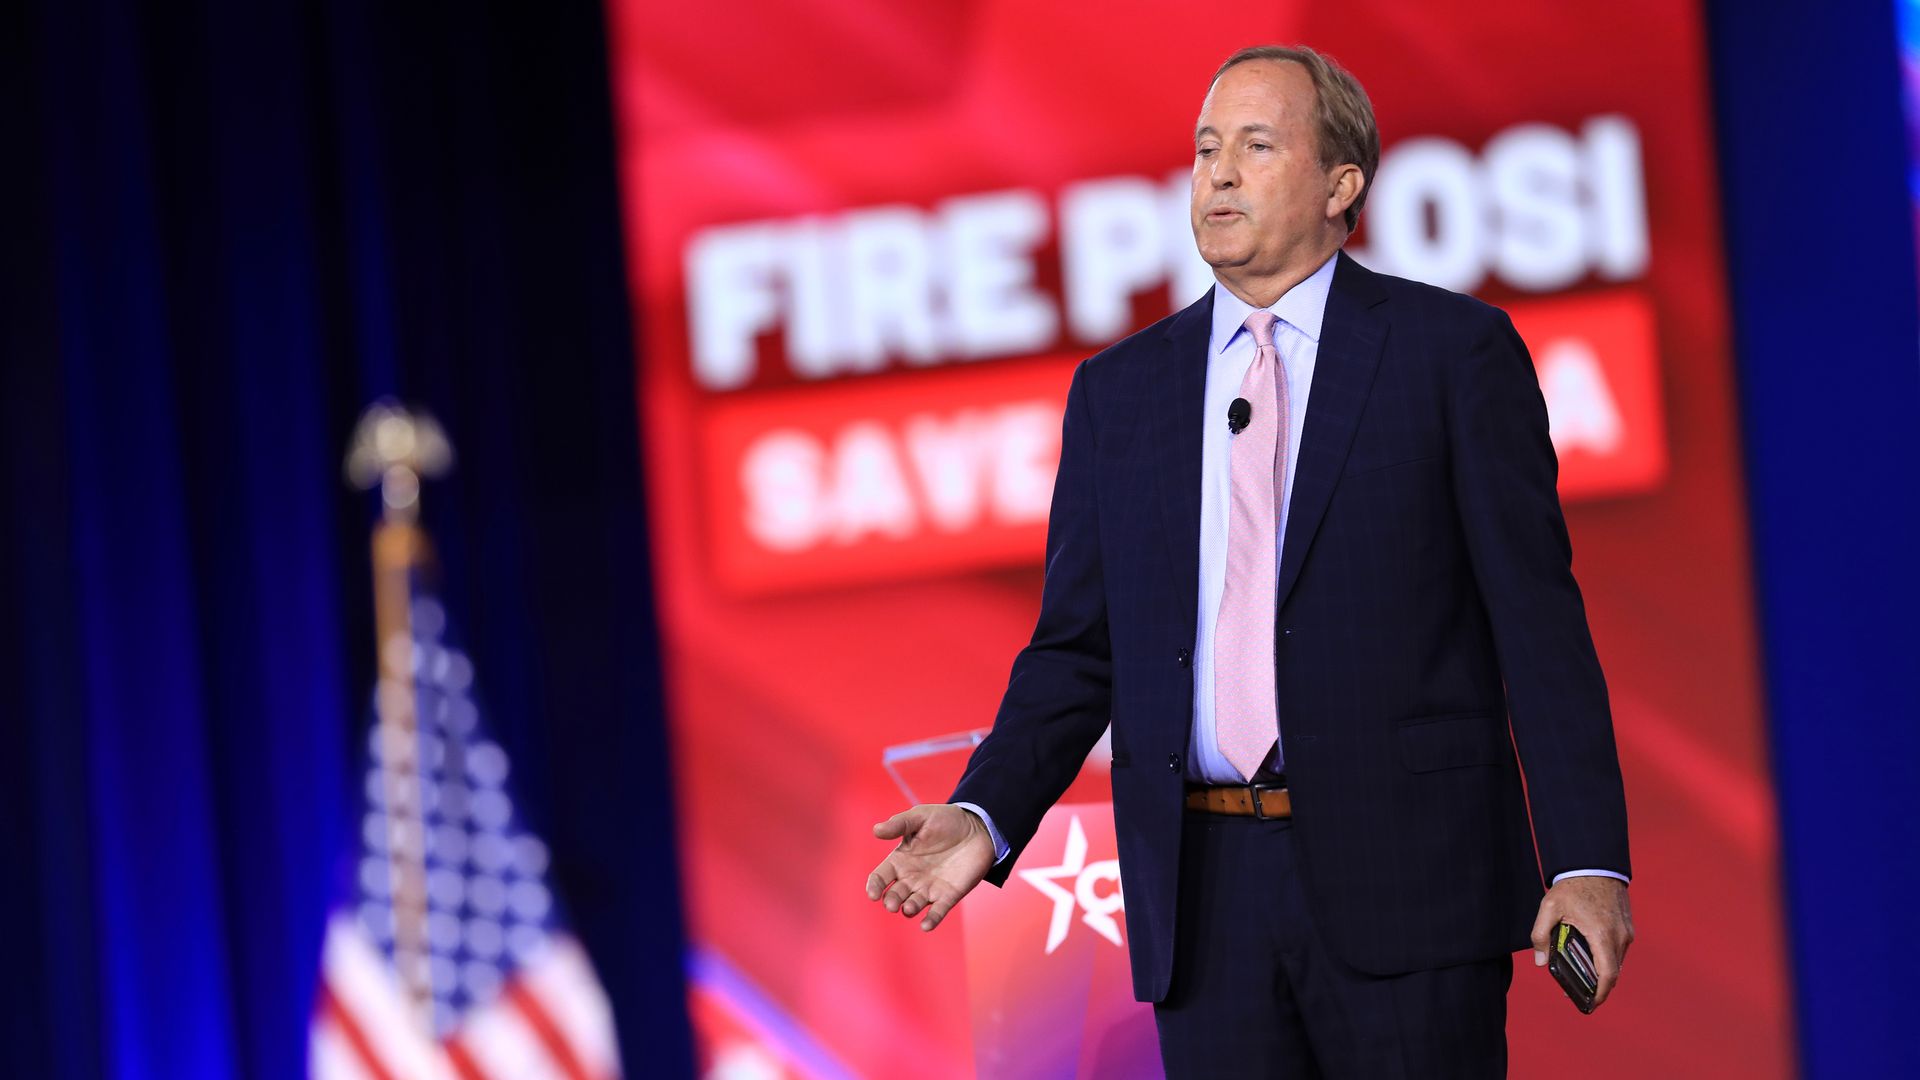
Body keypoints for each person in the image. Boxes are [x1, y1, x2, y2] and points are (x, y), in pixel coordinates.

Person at [864, 44, 1633, 1078]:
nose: (1217, 173)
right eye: (1205, 149)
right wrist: (985, 812)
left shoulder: (1451, 355)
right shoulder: (1122, 393)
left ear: (1340, 184)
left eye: (1257, 146)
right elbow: (1076, 652)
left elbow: (1536, 626)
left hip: (1411, 888)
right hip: (1206, 901)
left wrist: (1586, 859)